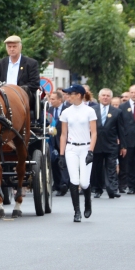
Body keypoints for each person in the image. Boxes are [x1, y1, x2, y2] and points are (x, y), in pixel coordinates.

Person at [58, 84, 97, 222]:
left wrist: (91, 151)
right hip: (71, 148)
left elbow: (94, 133)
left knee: (84, 182)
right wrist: (61, 154)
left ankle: (87, 200)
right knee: (74, 180)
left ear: (79, 95)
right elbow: (63, 134)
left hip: (85, 147)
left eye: (71, 93)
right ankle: (77, 211)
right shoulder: (66, 112)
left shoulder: (89, 111)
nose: (68, 96)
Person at [91, 88, 123, 199]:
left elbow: (121, 130)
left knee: (111, 167)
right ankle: (98, 189)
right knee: (97, 168)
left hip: (111, 145)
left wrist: (123, 146)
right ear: (99, 97)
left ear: (111, 98)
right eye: (103, 95)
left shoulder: (117, 112)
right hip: (96, 144)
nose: (105, 97)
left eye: (107, 96)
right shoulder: (92, 110)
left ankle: (113, 189)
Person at [0, 35, 40, 105]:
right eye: (9, 47)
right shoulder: (0, 64)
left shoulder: (31, 64)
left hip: (22, 98)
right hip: (3, 97)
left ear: (20, 47)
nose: (12, 49)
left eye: (14, 46)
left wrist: (17, 91)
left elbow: (34, 84)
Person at [48, 91, 70, 196]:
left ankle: (64, 184)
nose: (50, 101)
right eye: (50, 99)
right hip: (52, 139)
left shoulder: (68, 110)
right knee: (54, 162)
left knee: (63, 161)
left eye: (53, 99)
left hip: (64, 139)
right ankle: (56, 184)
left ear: (59, 100)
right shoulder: (50, 110)